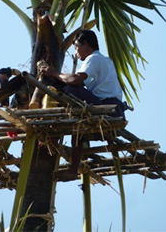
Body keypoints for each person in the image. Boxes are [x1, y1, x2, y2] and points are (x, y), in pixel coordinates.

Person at [40, 29, 126, 181]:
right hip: (115, 110)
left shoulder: (93, 58)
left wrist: (54, 73)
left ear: (85, 44)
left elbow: (76, 80)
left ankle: (52, 127)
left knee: (68, 88)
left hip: (107, 109)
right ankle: (73, 170)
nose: (76, 52)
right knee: (78, 125)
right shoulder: (106, 60)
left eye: (76, 47)